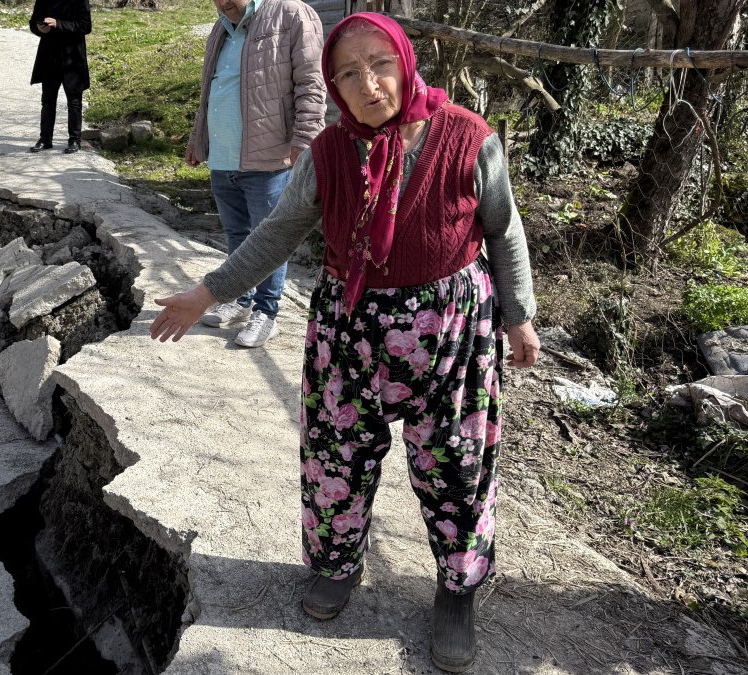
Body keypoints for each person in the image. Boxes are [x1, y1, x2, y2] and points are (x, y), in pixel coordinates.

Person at [151, 13, 540, 673]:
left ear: (405, 63)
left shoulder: (468, 139)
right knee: (336, 453)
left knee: (457, 460)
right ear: (332, 85)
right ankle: (336, 565)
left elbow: (503, 230)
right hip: (349, 327)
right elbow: (277, 233)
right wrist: (207, 293)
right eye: (349, 73)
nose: (370, 85)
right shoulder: (329, 152)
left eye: (381, 64)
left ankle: (457, 587)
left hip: (451, 331)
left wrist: (519, 315)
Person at [186, 0, 325, 348]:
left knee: (269, 238)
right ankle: (241, 298)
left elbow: (311, 81)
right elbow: (211, 91)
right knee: (237, 234)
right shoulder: (221, 27)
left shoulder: (291, 14)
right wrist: (197, 140)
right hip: (223, 157)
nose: (222, 2)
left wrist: (305, 138)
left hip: (269, 158)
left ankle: (267, 311)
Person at [29, 0, 92, 154]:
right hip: (49, 55)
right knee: (47, 100)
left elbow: (85, 26)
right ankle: (45, 139)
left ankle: (74, 140)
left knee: (74, 101)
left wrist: (58, 24)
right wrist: (39, 28)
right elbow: (34, 21)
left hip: (72, 57)